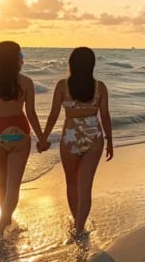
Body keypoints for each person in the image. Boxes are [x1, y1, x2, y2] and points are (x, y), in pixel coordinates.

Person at [0, 41, 45, 239]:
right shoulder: (26, 82)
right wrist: (42, 137)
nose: (22, 58)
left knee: (2, 183)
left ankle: (4, 222)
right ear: (15, 59)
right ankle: (4, 223)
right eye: (20, 55)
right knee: (13, 186)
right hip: (20, 133)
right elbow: (31, 113)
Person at [43, 47, 114, 241]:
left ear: (71, 64)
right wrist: (109, 141)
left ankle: (77, 223)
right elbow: (105, 116)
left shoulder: (62, 86)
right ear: (92, 65)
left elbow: (53, 115)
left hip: (70, 137)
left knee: (72, 184)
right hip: (94, 138)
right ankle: (80, 227)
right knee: (86, 186)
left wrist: (43, 137)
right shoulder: (100, 87)